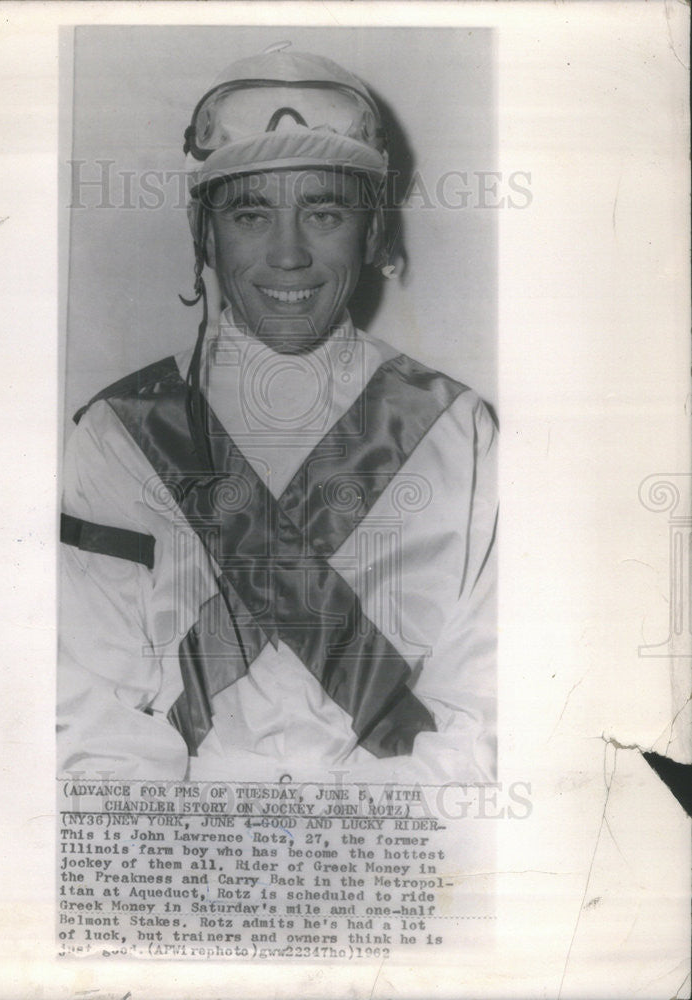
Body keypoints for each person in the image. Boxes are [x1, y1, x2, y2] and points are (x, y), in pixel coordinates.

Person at [58, 46, 497, 785]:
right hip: (182, 862)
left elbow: (484, 716)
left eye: (324, 211)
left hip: (396, 847)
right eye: (250, 212)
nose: (288, 253)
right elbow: (89, 718)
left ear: (373, 232)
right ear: (204, 232)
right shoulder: (117, 436)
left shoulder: (459, 432)